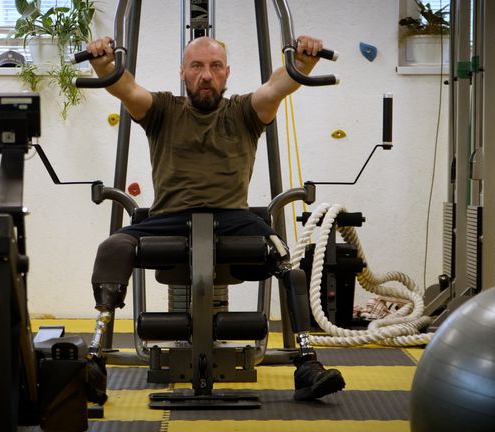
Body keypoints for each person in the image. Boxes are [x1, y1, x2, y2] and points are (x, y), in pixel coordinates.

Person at [83, 35, 346, 403]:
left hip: (233, 218)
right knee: (113, 246)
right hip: (168, 218)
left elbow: (276, 87)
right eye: (197, 66)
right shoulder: (162, 109)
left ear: (226, 73)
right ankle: (94, 361)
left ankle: (306, 363)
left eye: (215, 67)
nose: (206, 75)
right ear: (182, 73)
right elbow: (125, 88)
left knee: (289, 263)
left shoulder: (243, 112)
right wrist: (103, 63)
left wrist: (303, 61)